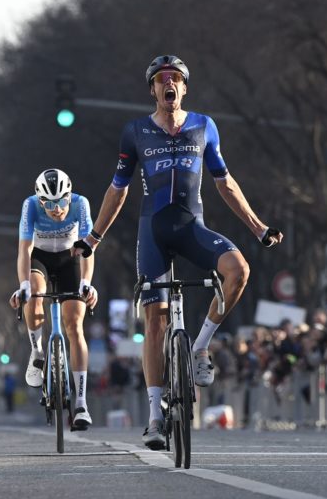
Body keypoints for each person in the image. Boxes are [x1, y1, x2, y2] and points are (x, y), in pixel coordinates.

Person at [74, 55, 282, 450]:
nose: (169, 84)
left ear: (184, 88)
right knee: (156, 320)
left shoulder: (204, 126)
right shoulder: (135, 131)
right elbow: (117, 191)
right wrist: (94, 238)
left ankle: (201, 345)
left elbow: (225, 183)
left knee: (238, 270)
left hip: (192, 229)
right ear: (152, 89)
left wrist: (257, 227)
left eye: (176, 79)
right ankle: (154, 418)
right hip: (152, 233)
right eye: (161, 80)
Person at [8, 168, 99, 430]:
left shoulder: (81, 205)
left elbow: (87, 249)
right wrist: (23, 285)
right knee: (35, 294)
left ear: (69, 196)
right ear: (39, 199)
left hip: (70, 258)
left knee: (74, 325)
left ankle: (80, 403)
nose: (56, 209)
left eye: (61, 201)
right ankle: (37, 351)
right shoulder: (30, 206)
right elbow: (24, 250)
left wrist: (86, 284)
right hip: (40, 256)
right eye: (48, 203)